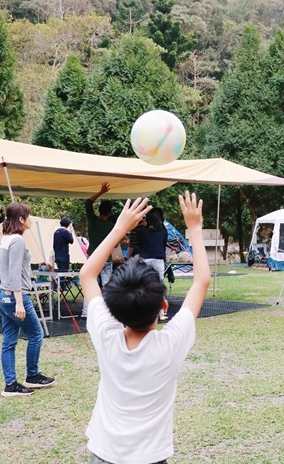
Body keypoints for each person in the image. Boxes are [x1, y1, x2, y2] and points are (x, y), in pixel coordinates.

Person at [79, 192, 210, 463]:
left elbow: (87, 274)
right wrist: (195, 229)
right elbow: (201, 282)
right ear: (164, 306)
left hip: (104, 453)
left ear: (112, 309)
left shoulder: (106, 333)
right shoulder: (169, 345)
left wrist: (119, 228)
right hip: (150, 457)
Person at [0, 202, 55, 397]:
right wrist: (20, 301)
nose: (30, 219)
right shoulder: (18, 241)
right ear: (21, 219)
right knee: (36, 334)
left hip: (3, 296)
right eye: (28, 216)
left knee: (9, 342)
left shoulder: (6, 239)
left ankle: (11, 384)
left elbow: (12, 267)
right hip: (15, 296)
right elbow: (14, 274)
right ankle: (32, 375)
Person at [84, 182, 115, 316]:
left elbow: (88, 203)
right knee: (107, 286)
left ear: (99, 209)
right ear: (110, 212)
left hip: (93, 257)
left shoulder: (93, 221)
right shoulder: (112, 226)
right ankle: (107, 311)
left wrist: (101, 191)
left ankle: (86, 311)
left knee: (90, 284)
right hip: (106, 259)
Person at [132, 207, 168, 281]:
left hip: (144, 260)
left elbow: (138, 244)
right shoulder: (163, 231)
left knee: (144, 285)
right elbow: (164, 244)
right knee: (159, 285)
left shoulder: (141, 231)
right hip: (158, 260)